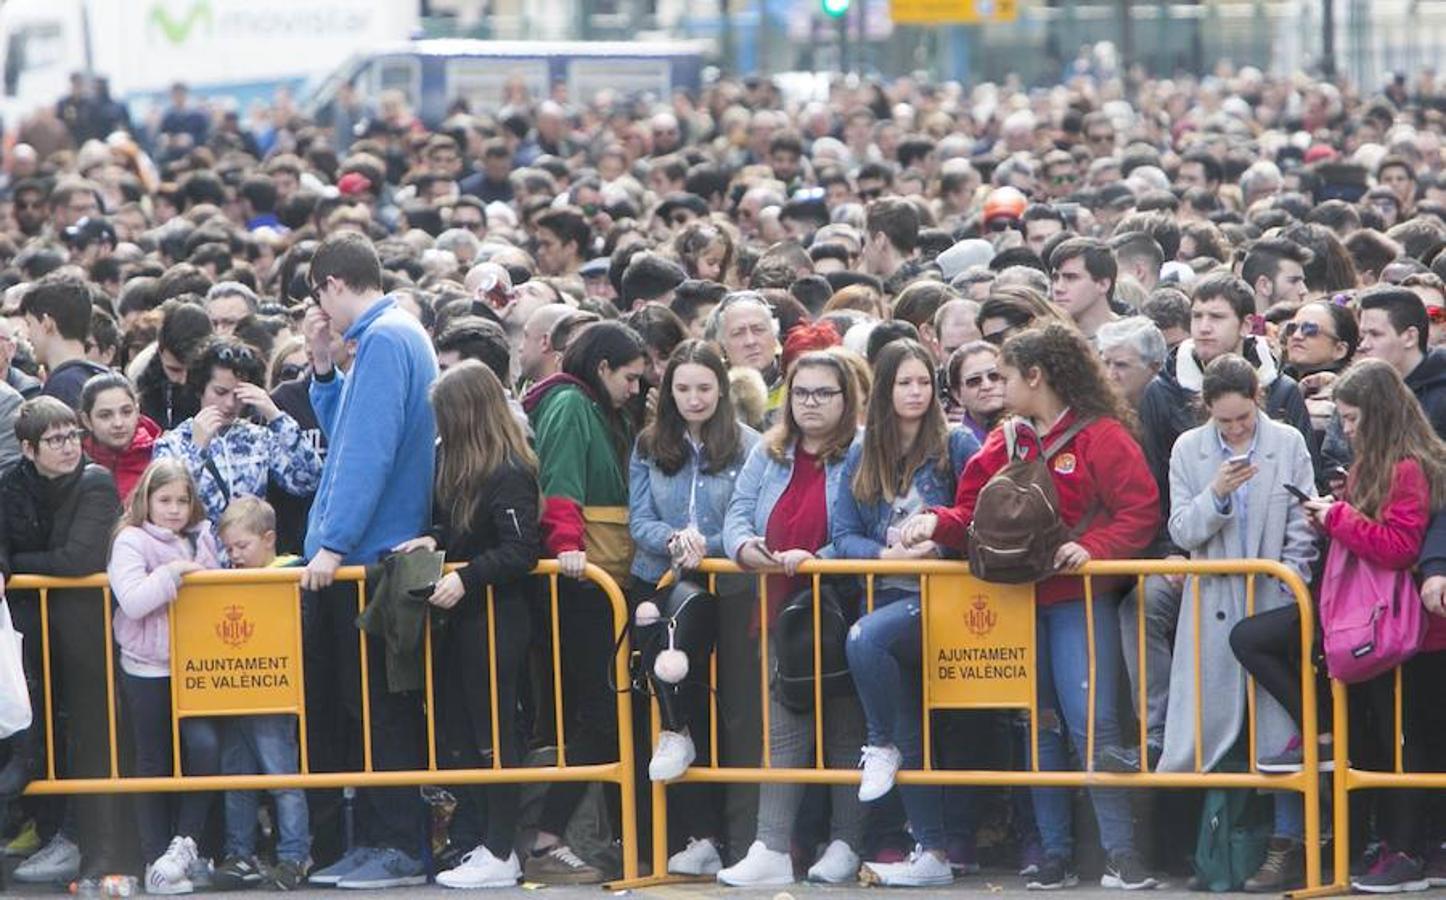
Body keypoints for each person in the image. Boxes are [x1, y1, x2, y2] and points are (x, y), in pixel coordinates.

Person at [900, 323, 1161, 891]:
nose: (998, 385)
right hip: (1016, 603)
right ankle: (1055, 855)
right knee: (1039, 727)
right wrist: (933, 523)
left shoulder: (1103, 437)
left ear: (1036, 377)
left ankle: (1121, 854)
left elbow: (1139, 511)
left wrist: (1091, 548)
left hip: (1078, 603)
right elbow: (971, 512)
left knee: (1095, 726)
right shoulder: (1006, 440)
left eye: (1007, 375)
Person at [1232, 359, 1446, 893]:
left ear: (1377, 415)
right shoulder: (1381, 463)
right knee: (1385, 744)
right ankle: (1386, 834)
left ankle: (1405, 853)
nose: (1344, 430)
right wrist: (1335, 510)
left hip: (1402, 626)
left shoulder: (1409, 466)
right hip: (1367, 619)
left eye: (1350, 419)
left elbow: (1399, 548)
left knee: (1406, 747)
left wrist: (1337, 518)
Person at [299, 232, 439, 890]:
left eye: (316, 299)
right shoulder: (391, 335)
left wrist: (332, 542)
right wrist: (323, 368)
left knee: (380, 711)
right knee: (368, 709)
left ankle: (397, 846)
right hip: (366, 550)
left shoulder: (385, 339)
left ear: (330, 285)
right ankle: (381, 841)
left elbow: (367, 454)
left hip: (366, 559)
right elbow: (349, 434)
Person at [1159, 355, 1318, 892]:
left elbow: (1302, 521)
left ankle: (1285, 845)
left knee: (1280, 737)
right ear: (1207, 411)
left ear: (1258, 401)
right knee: (1218, 733)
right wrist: (1217, 492)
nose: (1234, 429)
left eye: (1243, 419)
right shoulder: (1189, 449)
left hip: (1274, 605)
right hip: (1213, 608)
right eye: (1224, 421)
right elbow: (1181, 529)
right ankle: (1221, 850)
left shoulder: (1289, 443)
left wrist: (1288, 582)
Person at [391, 361, 541, 890]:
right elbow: (454, 523)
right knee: (460, 732)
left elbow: (521, 548)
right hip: (462, 618)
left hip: (497, 616)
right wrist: (434, 538)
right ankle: (485, 841)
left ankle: (503, 850)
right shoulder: (450, 459)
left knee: (494, 735)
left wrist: (470, 577)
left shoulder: (509, 468)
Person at [835, 340, 980, 887]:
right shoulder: (862, 450)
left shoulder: (958, 443)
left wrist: (938, 542)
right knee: (907, 720)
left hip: (944, 599)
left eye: (924, 383)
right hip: (887, 594)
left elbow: (978, 520)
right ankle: (932, 854)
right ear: (884, 390)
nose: (916, 393)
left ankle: (879, 746)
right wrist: (884, 554)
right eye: (904, 383)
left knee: (863, 641)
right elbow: (842, 534)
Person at [719, 349, 865, 888]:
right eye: (800, 392)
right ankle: (772, 846)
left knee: (849, 733)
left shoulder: (863, 449)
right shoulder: (769, 450)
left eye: (823, 393)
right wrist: (743, 545)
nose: (809, 403)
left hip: (843, 604)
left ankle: (848, 842)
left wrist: (822, 560)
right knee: (783, 732)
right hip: (779, 605)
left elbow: (866, 527)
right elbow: (737, 511)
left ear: (846, 398)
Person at [522, 321, 646, 884]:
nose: (637, 389)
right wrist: (569, 546)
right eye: (630, 378)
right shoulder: (570, 405)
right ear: (602, 369)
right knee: (599, 713)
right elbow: (562, 481)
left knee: (605, 713)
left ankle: (593, 838)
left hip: (605, 574)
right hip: (584, 577)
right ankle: (548, 839)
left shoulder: (603, 409)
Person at [0, 398, 125, 886]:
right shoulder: (12, 484)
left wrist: (18, 565)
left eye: (74, 435)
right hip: (32, 633)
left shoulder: (95, 482)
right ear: (29, 449)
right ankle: (54, 834)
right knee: (43, 732)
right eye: (56, 439)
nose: (70, 446)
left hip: (84, 633)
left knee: (93, 742)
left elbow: (78, 558)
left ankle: (98, 850)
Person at [108, 458, 223, 895]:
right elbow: (134, 601)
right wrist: (173, 572)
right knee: (152, 761)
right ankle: (152, 856)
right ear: (146, 500)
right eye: (165, 500)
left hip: (198, 666)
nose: (174, 509)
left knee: (205, 748)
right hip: (146, 666)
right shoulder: (130, 540)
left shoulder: (200, 537)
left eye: (182, 500)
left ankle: (183, 847)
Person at [213, 497, 312, 891]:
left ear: (268, 538)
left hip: (275, 688)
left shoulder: (292, 574)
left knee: (281, 774)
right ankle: (240, 852)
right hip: (237, 687)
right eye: (230, 549)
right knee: (235, 774)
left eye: (242, 547)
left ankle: (293, 855)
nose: (234, 556)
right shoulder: (225, 576)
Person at [153, 336, 323, 524]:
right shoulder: (172, 443)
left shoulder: (259, 438)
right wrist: (197, 449)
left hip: (250, 548)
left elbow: (308, 480)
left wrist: (276, 416)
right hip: (195, 550)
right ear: (200, 388)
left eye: (238, 395)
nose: (230, 404)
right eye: (220, 392)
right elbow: (166, 505)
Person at [19, 276, 108, 410]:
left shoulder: (64, 386)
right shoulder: (105, 377)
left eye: (29, 324)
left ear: (47, 323)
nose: (28, 336)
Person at [1279, 300, 1359, 441]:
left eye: (1310, 330)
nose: (1297, 336)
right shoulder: (1275, 383)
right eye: (1291, 328)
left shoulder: (1350, 395)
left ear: (1339, 349)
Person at [79, 372, 160, 501]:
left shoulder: (160, 457)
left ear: (137, 411)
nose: (118, 423)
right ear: (87, 421)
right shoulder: (74, 462)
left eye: (126, 412)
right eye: (105, 415)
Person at [945, 341, 1007, 438]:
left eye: (994, 376)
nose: (987, 386)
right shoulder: (953, 443)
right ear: (957, 395)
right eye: (974, 381)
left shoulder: (1032, 427)